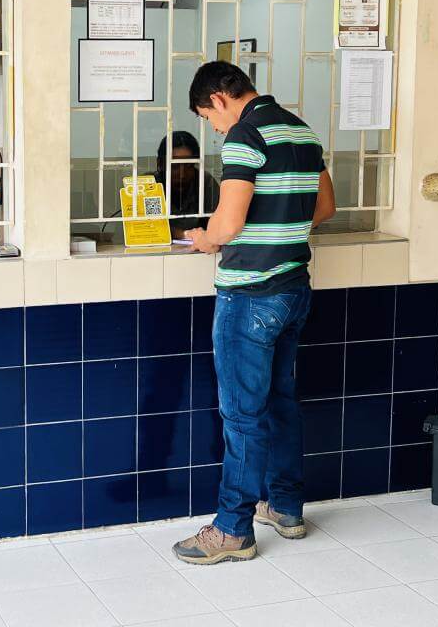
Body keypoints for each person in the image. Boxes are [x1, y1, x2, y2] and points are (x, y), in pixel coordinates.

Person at [171, 61, 336, 565]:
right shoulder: (301, 130)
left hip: (248, 294)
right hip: (293, 289)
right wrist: (279, 222)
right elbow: (324, 208)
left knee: (242, 415)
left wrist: (205, 238)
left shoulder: (244, 136)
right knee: (281, 402)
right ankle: (285, 507)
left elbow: (228, 224)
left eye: (208, 118)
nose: (214, 129)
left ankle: (232, 529)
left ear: (219, 99)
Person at [153, 131, 220, 239]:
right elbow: (144, 229)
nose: (182, 174)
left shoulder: (204, 182)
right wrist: (183, 235)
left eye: (189, 166)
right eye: (175, 166)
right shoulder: (148, 185)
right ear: (160, 164)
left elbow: (221, 222)